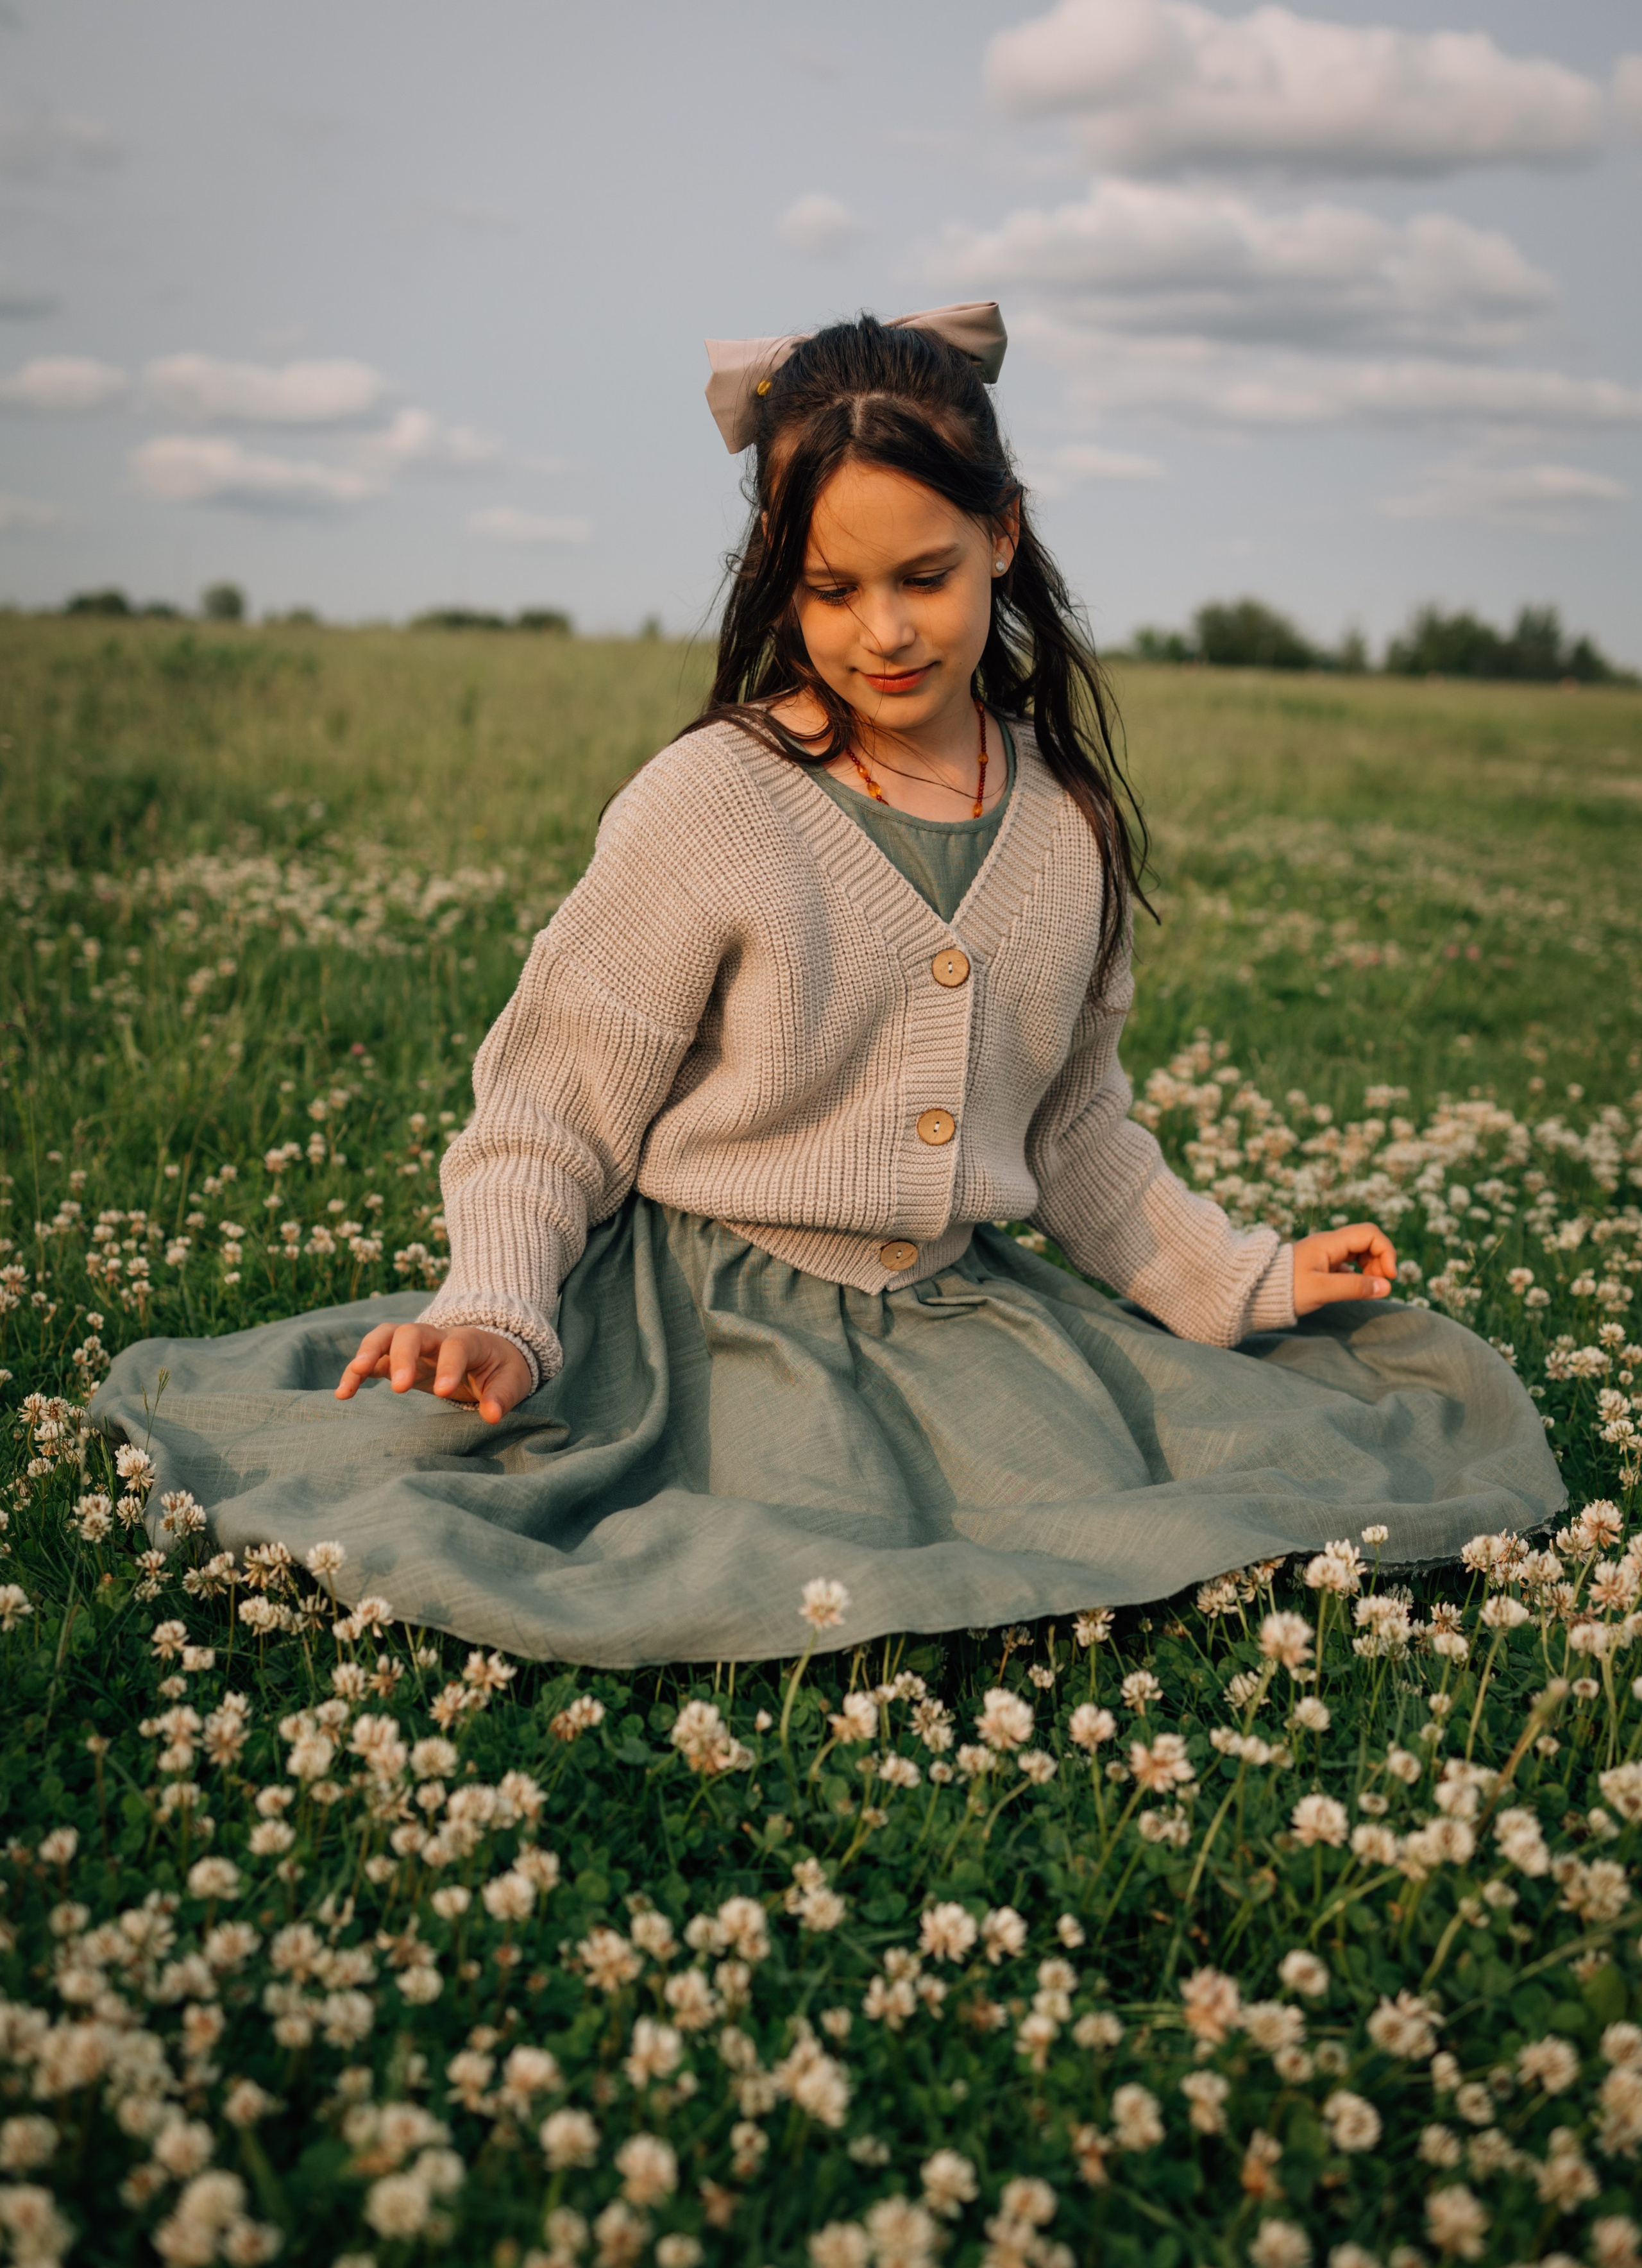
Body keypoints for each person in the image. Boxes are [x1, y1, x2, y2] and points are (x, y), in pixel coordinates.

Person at [96, 306, 1564, 1664]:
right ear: (776, 574)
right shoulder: (711, 801)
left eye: (925, 576)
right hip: (698, 1323)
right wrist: (495, 1309)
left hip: (953, 1311)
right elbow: (551, 1109)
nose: (886, 630)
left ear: (1001, 533)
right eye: (830, 589)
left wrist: (1228, 1278)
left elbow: (1071, 1131)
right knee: (743, 1545)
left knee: (1223, 1477)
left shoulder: (1064, 825)